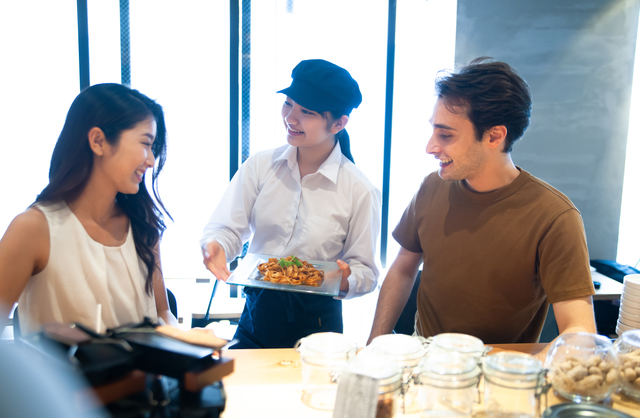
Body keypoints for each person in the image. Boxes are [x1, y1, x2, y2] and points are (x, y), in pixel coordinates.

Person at [367, 58, 596, 360]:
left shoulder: (554, 216)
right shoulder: (431, 187)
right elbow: (403, 268)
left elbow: (581, 332)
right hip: (425, 362)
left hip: (500, 370)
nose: (430, 147)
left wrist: (519, 374)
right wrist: (373, 346)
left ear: (494, 136)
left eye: (446, 135)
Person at [201, 59, 381, 349]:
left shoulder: (359, 190)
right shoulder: (261, 165)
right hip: (256, 317)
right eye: (288, 104)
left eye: (306, 112)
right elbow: (226, 229)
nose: (290, 118)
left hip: (319, 328)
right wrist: (216, 246)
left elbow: (368, 273)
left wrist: (345, 278)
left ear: (339, 123)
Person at [0, 83, 178, 335]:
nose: (150, 160)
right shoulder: (33, 228)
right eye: (145, 143)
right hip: (66, 375)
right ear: (98, 141)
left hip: (145, 374)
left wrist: (182, 338)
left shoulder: (142, 224)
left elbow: (162, 311)